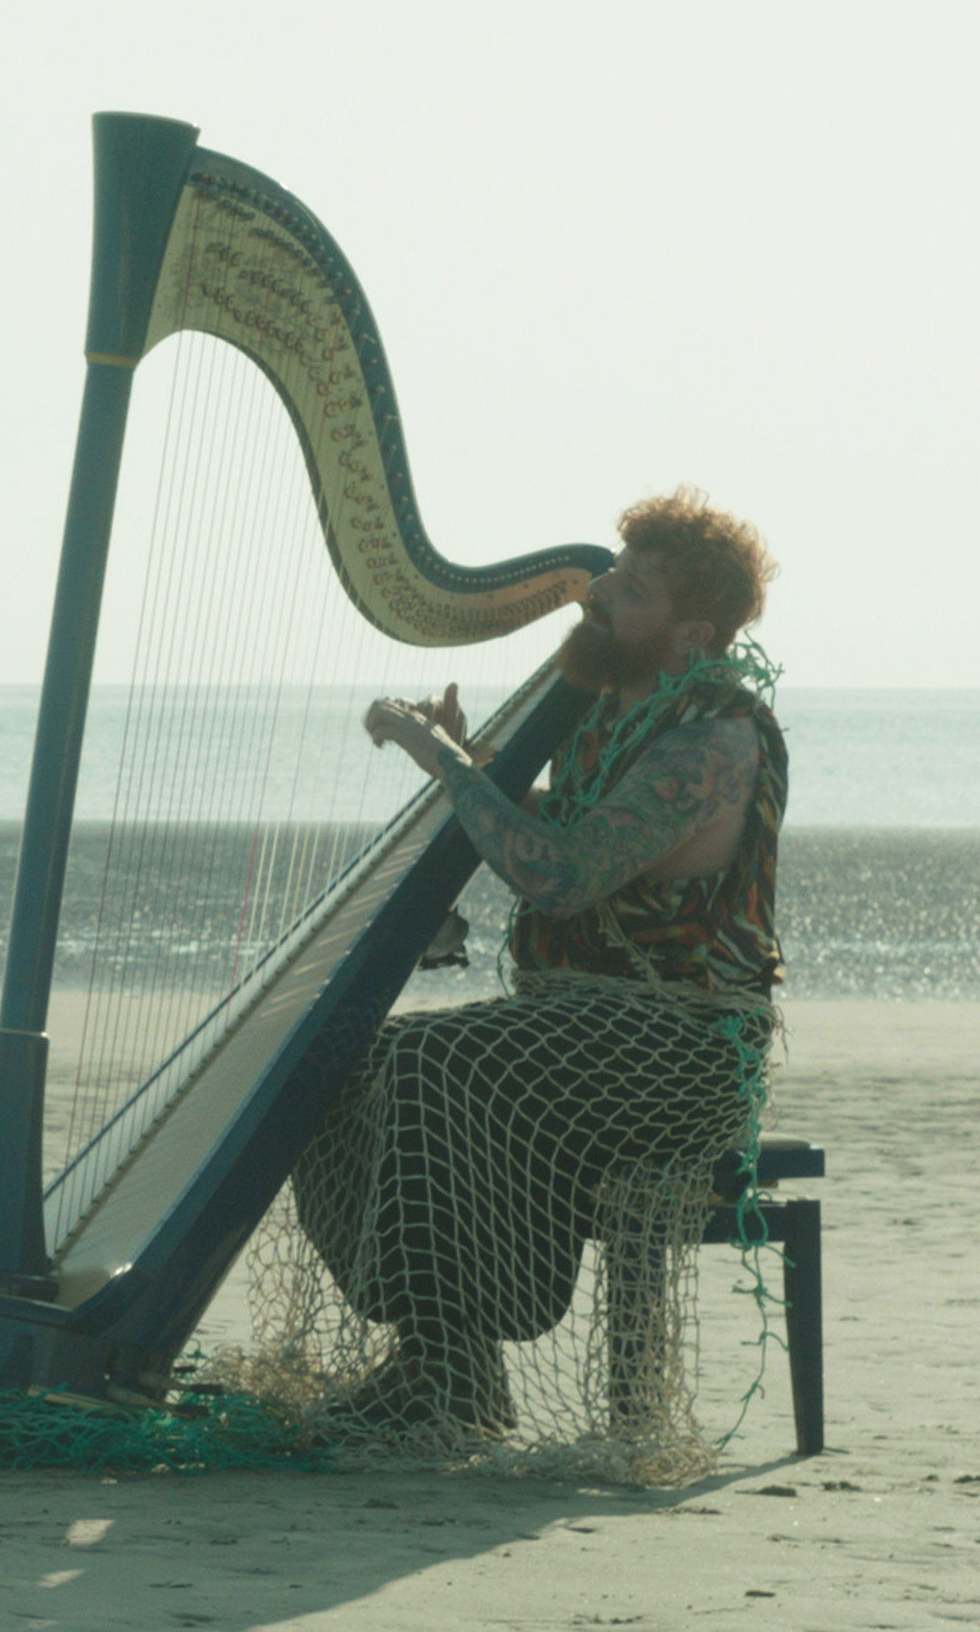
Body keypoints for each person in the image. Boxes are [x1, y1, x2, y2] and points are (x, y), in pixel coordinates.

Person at [289, 485, 787, 1441]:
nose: (596, 594)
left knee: (435, 1061)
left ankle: (450, 1371)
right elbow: (557, 831)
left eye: (630, 590)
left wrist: (451, 765)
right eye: (610, 573)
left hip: (682, 1050)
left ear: (687, 635)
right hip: (583, 1033)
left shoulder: (711, 740)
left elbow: (559, 877)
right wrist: (475, 760)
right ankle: (449, 1355)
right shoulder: (609, 716)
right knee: (340, 1054)